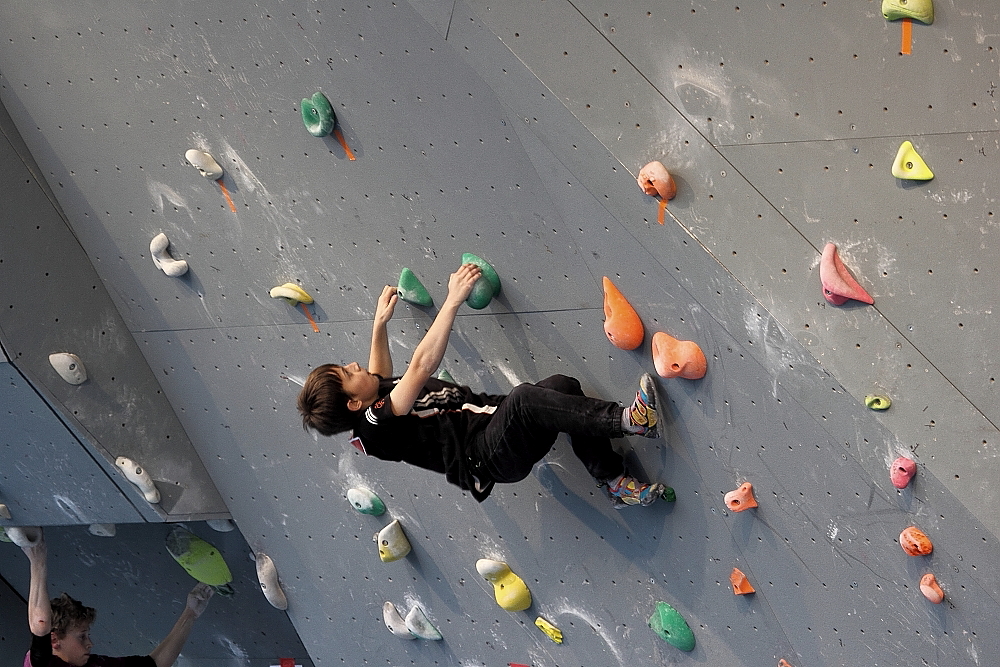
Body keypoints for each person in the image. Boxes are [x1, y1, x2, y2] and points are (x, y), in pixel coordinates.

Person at [297, 263, 667, 508]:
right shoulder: (376, 425)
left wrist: (379, 325)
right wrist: (453, 300)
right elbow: (422, 366)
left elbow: (377, 379)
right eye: (346, 374)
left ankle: (615, 481)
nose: (353, 365)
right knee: (524, 400)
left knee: (561, 387)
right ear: (352, 404)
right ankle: (631, 421)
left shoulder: (372, 412)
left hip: (491, 429)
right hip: (487, 454)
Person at [22, 528, 213, 667]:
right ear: (54, 641)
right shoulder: (44, 664)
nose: (90, 643)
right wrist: (37, 560)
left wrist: (191, 613)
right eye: (81, 636)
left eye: (86, 635)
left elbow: (154, 664)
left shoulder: (94, 664)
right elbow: (40, 624)